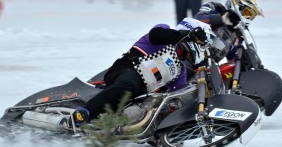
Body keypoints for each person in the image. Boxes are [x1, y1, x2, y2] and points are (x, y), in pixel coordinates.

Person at [70, 18, 215, 127]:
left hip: (138, 92)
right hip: (125, 69)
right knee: (129, 85)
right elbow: (156, 35)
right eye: (203, 44)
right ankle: (84, 113)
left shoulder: (181, 70)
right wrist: (187, 35)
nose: (203, 51)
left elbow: (179, 94)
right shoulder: (164, 33)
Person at [193, 0, 264, 62]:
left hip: (205, 67)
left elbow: (233, 58)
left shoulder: (236, 35)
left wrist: (245, 59)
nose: (248, 18)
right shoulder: (215, 8)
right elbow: (196, 19)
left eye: (251, 16)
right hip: (189, 51)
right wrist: (221, 19)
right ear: (238, 5)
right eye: (247, 13)